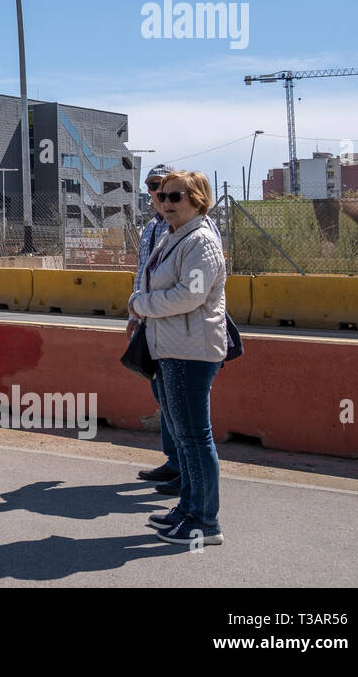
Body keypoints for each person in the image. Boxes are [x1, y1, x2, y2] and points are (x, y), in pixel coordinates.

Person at [127, 171, 228, 546]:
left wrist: (141, 305)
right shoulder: (173, 237)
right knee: (184, 440)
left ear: (197, 200)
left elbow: (191, 296)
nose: (165, 202)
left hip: (191, 351)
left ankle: (205, 521)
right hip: (171, 347)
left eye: (175, 196)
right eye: (162, 195)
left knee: (195, 438)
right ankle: (188, 509)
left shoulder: (201, 242)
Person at [130, 163, 181, 494]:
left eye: (166, 189)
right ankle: (174, 462)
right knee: (161, 394)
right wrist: (135, 315)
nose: (159, 194)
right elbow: (142, 273)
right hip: (148, 321)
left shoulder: (183, 228)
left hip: (173, 326)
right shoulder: (150, 227)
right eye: (153, 187)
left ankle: (186, 472)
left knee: (178, 400)